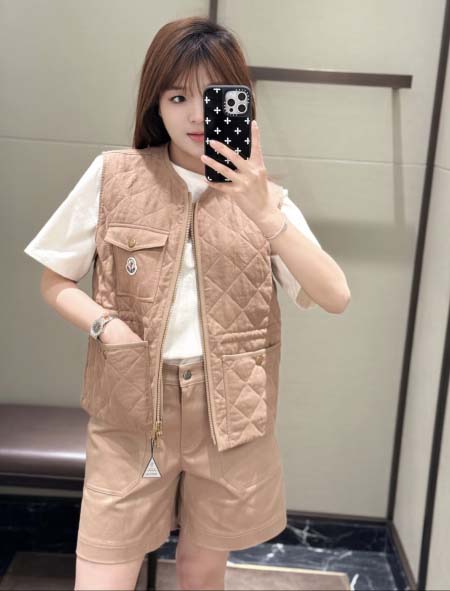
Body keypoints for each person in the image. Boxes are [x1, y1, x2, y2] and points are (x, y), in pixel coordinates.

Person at [24, 16, 350, 591]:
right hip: (130, 410)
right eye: (178, 97)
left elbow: (335, 295)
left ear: (240, 102)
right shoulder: (115, 176)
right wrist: (107, 326)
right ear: (156, 103)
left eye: (212, 97)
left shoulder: (266, 200)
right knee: (101, 573)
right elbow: (55, 281)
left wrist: (264, 213)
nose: (197, 115)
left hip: (229, 416)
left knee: (202, 573)